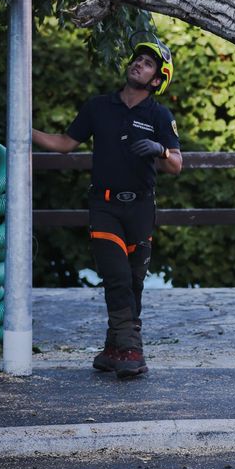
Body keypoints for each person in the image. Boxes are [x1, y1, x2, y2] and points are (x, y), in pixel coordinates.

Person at [32, 38, 182, 378]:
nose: (138, 64)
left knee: (134, 281)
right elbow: (64, 144)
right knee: (117, 276)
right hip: (104, 205)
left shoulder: (159, 115)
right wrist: (22, 129)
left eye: (148, 63)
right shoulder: (98, 107)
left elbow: (176, 164)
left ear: (158, 80)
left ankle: (114, 348)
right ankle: (131, 350)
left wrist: (159, 150)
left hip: (141, 208)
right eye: (137, 59)